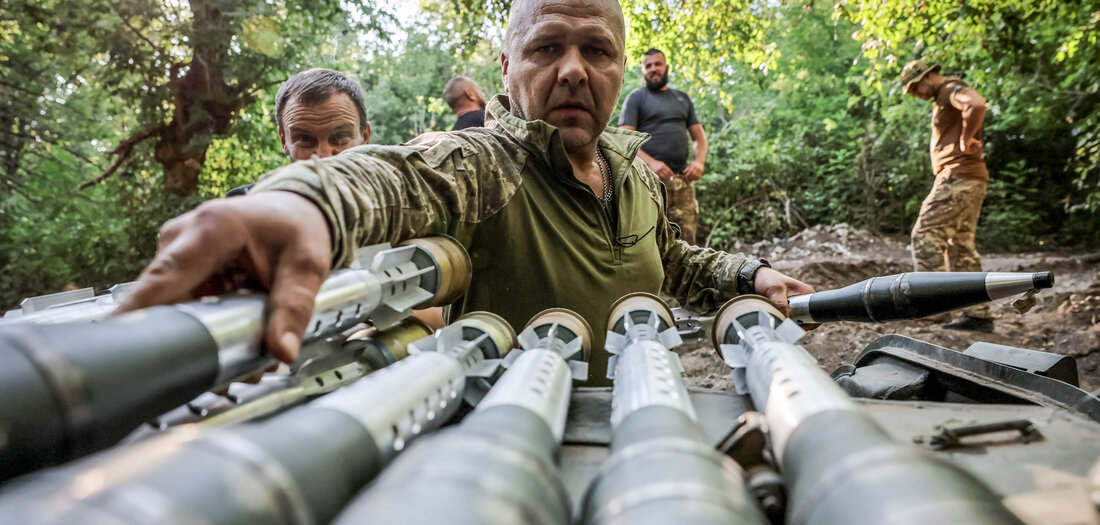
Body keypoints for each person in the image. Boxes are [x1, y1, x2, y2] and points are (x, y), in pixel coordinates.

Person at [118, 0, 814, 385]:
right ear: (507, 66)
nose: (573, 70)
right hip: (511, 449)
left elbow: (674, 262)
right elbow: (400, 176)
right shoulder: (489, 162)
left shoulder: (633, 173)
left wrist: (749, 273)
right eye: (547, 48)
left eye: (596, 51)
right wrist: (300, 203)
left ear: (620, 68)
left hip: (646, 429)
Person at [901, 59, 993, 332]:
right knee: (960, 244)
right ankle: (978, 315)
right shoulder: (943, 96)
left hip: (957, 176)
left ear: (928, 76)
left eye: (916, 87)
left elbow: (975, 104)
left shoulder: (950, 89)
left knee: (925, 234)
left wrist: (966, 139)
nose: (916, 94)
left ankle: (933, 308)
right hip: (970, 177)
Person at [226, 68, 371, 197]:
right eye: (305, 139)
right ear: (284, 141)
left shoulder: (392, 206)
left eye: (340, 137)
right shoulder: (248, 205)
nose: (323, 157)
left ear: (365, 137)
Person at [619, 48, 708, 245]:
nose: (653, 69)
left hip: (682, 183)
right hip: (647, 183)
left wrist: (699, 162)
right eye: (648, 66)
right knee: (650, 244)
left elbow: (699, 137)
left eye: (657, 64)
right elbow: (625, 139)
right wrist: (651, 163)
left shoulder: (682, 99)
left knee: (688, 245)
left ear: (666, 67)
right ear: (643, 70)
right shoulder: (636, 98)